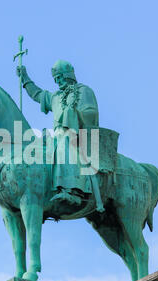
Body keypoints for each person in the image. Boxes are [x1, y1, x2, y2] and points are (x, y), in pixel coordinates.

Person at [16, 60, 99, 205]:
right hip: (57, 135)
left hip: (80, 135)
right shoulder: (55, 97)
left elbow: (92, 113)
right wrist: (25, 78)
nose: (58, 82)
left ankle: (71, 189)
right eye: (55, 79)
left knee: (64, 143)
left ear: (69, 75)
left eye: (60, 77)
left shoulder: (84, 91)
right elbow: (37, 94)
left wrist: (74, 114)